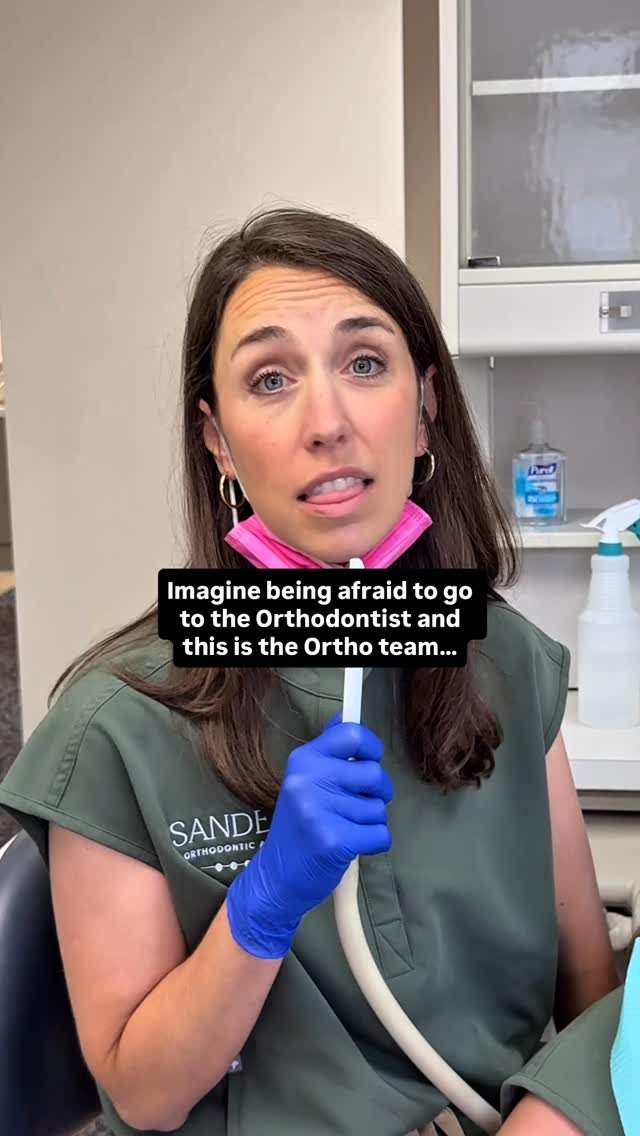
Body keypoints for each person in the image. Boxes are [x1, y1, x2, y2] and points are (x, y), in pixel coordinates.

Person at [0, 208, 621, 1136]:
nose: (327, 423)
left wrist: (558, 1114)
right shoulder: (115, 724)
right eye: (270, 379)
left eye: (365, 364)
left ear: (426, 410)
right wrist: (266, 900)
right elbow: (143, 1096)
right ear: (217, 441)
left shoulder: (503, 657)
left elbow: (591, 993)